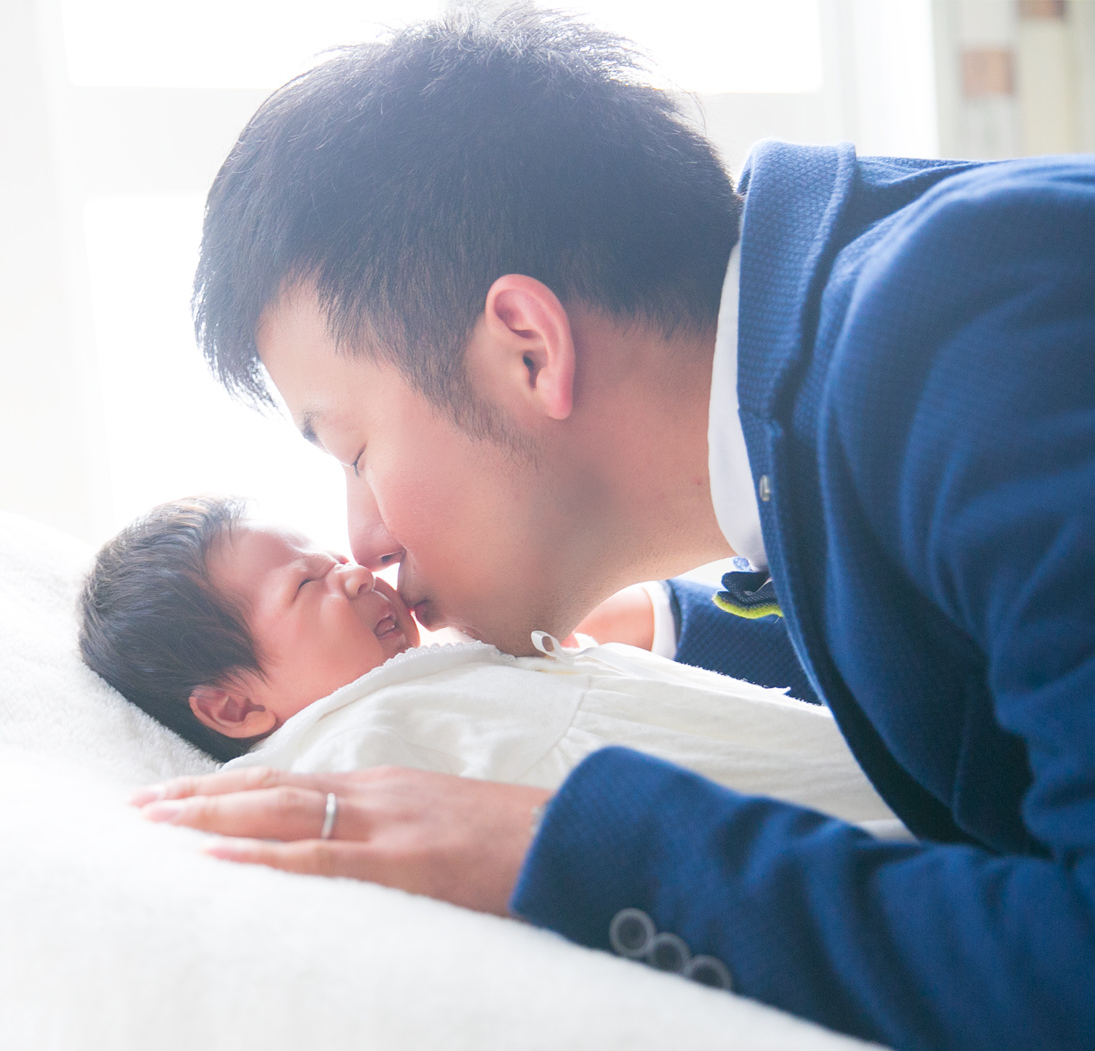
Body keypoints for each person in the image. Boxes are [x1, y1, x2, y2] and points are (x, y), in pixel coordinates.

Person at [137, 8, 1095, 1049]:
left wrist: (563, 846)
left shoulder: (979, 341)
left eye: (355, 451)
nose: (364, 542)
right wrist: (664, 623)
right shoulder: (869, 344)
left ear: (529, 348)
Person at [79, 498, 900, 876]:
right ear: (234, 706)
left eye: (327, 558)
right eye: (306, 585)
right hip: (855, 848)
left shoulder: (438, 675)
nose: (356, 570)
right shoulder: (354, 748)